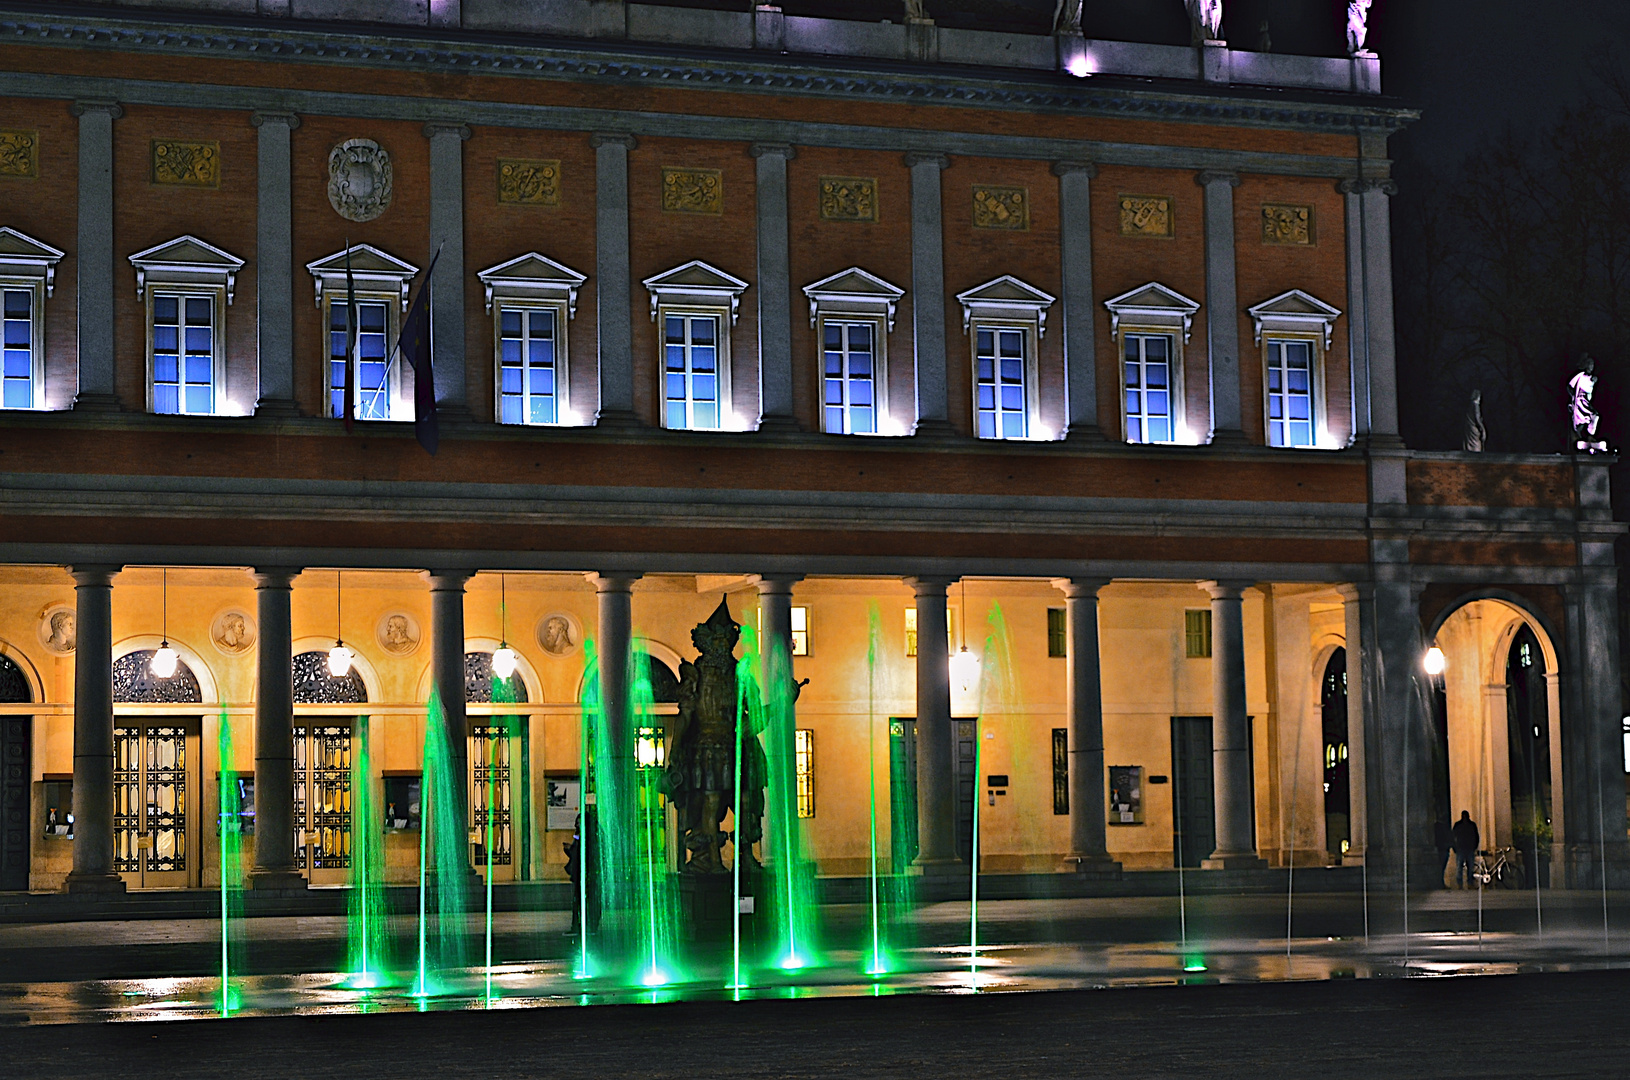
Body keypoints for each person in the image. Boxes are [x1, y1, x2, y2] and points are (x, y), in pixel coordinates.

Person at [1450, 810, 1481, 889]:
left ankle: (1465, 883)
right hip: (1464, 848)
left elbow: (1476, 837)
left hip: (1466, 848)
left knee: (1468, 867)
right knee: (1462, 867)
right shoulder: (1470, 825)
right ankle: (1463, 883)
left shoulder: (1461, 825)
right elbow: (1453, 837)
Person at [1434, 818, 1452, 887]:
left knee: (1441, 868)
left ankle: (1440, 882)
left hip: (1442, 849)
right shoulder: (1443, 829)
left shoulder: (1438, 828)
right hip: (1443, 849)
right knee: (1441, 868)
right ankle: (1440, 883)